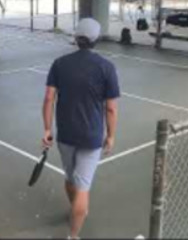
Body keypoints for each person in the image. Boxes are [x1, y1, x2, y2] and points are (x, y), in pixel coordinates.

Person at [41, 18, 120, 239]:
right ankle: (73, 236)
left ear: (76, 38)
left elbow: (49, 98)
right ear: (97, 40)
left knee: (70, 178)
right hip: (91, 137)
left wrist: (47, 129)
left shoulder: (59, 63)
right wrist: (111, 136)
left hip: (65, 134)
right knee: (83, 188)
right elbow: (111, 109)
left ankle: (75, 207)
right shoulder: (107, 67)